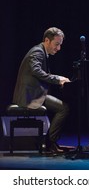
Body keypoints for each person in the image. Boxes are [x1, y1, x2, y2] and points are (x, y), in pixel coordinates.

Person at [12, 27, 71, 155]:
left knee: (60, 107)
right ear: (47, 40)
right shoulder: (38, 52)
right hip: (29, 96)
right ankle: (50, 143)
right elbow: (37, 71)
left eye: (60, 45)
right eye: (57, 44)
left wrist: (57, 79)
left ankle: (51, 142)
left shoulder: (41, 52)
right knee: (63, 108)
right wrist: (58, 79)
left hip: (35, 94)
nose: (58, 48)